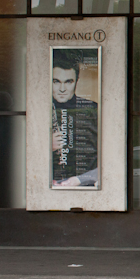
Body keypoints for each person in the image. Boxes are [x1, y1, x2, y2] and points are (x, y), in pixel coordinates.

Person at [51, 50, 99, 188]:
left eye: (68, 82)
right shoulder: (40, 109)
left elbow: (111, 156)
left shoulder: (93, 109)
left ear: (76, 81)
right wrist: (46, 146)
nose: (62, 89)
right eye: (56, 81)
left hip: (84, 185)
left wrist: (80, 180)